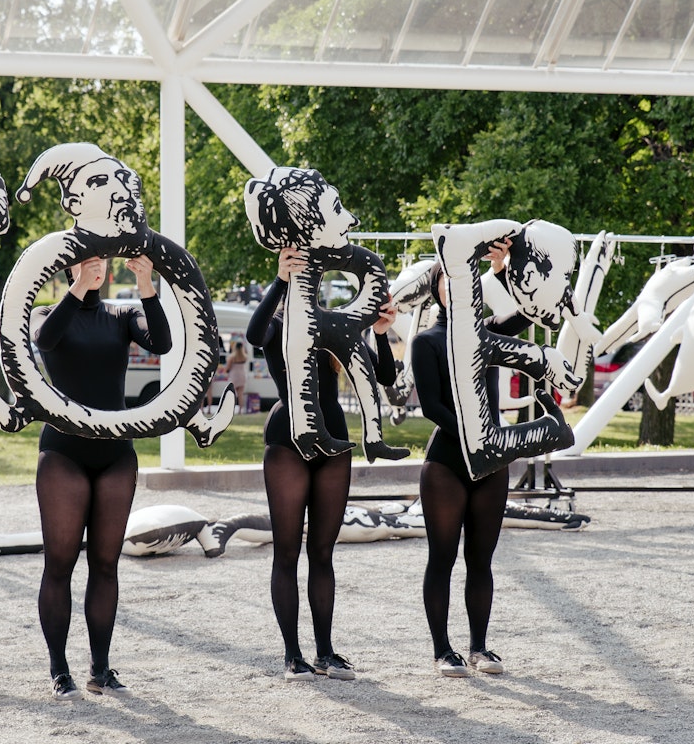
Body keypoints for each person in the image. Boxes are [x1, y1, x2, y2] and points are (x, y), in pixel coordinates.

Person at [246, 246, 398, 682]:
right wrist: (278, 280)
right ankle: (293, 654)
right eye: (301, 273)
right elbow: (255, 334)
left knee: (323, 553)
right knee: (287, 551)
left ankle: (326, 652)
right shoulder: (278, 324)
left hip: (334, 441)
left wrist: (383, 332)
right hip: (287, 441)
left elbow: (383, 377)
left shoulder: (336, 325)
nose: (308, 280)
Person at [30, 254, 172, 701]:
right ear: (69, 266)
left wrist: (147, 283)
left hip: (115, 452)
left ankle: (101, 667)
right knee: (60, 563)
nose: (96, 268)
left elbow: (163, 344)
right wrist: (76, 288)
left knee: (106, 565)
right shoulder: (46, 312)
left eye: (102, 261)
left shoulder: (122, 313)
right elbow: (47, 341)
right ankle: (59, 670)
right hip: (63, 453)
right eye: (86, 261)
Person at [410, 238, 527, 678]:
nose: (458, 284)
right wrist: (475, 431)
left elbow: (522, 314)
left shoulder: (489, 335)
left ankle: (479, 647)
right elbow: (432, 407)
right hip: (447, 464)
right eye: (448, 279)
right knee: (442, 557)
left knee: (481, 560)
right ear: (439, 288)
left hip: (491, 464)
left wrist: (504, 269)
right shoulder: (427, 342)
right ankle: (443, 650)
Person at [225, 341, 249, 411]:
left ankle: (232, 410)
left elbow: (227, 369)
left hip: (234, 376)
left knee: (232, 394)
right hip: (242, 375)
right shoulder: (245, 357)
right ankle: (240, 410)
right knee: (240, 394)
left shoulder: (232, 357)